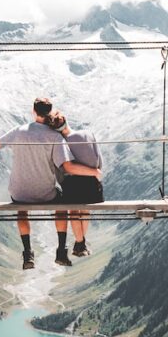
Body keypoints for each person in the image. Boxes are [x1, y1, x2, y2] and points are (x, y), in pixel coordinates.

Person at [0, 98, 101, 270]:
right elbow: (68, 166)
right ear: (49, 113)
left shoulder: (19, 131)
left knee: (21, 209)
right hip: (45, 193)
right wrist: (94, 172)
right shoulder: (55, 137)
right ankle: (61, 251)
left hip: (19, 191)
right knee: (62, 204)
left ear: (33, 111)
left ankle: (28, 253)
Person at [46, 110, 104, 257]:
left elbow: (65, 168)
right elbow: (99, 162)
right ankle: (80, 244)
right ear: (66, 120)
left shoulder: (61, 142)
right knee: (85, 210)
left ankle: (80, 243)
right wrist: (94, 173)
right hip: (94, 188)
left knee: (73, 210)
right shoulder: (88, 134)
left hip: (73, 187)